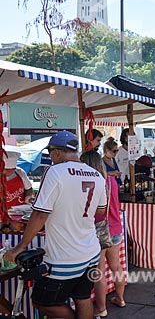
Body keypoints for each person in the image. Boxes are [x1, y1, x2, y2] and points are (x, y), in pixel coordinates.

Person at [5, 130, 106, 319]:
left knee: (44, 302)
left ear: (57, 152)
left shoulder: (55, 171)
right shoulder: (96, 174)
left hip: (64, 256)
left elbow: (39, 215)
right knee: (83, 298)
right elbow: (101, 210)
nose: (50, 157)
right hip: (90, 250)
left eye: (50, 153)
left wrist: (21, 246)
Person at [80, 150, 126, 317]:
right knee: (116, 266)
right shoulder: (111, 181)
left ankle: (101, 308)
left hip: (99, 229)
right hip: (115, 227)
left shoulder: (89, 182)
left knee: (99, 271)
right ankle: (120, 298)